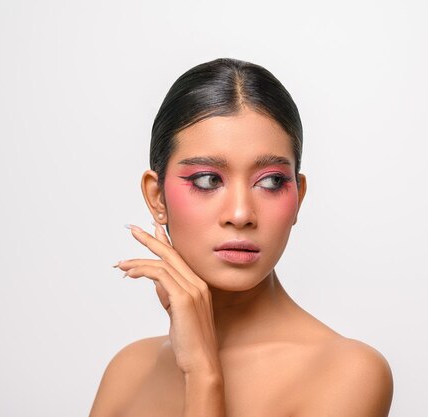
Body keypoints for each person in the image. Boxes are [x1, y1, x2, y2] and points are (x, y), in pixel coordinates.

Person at [89, 58, 393, 417]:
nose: (240, 215)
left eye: (271, 181)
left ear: (299, 196)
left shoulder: (348, 373)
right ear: (157, 197)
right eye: (207, 180)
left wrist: (203, 374)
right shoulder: (128, 370)